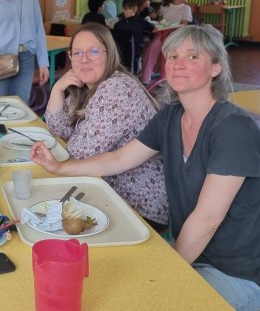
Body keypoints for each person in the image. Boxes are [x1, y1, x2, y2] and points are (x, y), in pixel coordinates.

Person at [32, 25, 260, 311]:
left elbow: (207, 219)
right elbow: (118, 159)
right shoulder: (172, 116)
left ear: (215, 68)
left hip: (239, 273)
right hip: (193, 253)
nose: (178, 64)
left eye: (192, 56)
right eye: (173, 56)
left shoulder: (234, 128)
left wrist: (164, 271)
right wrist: (60, 168)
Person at [45, 23, 168, 228]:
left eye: (93, 51)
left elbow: (81, 153)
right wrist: (57, 88)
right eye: (77, 53)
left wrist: (74, 140)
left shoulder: (116, 88)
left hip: (139, 206)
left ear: (109, 54)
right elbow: (59, 129)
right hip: (106, 188)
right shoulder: (87, 85)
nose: (84, 59)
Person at [112, 0, 155, 75]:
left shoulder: (117, 25)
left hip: (119, 54)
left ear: (123, 9)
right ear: (135, 9)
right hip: (135, 53)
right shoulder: (141, 21)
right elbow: (152, 28)